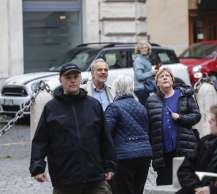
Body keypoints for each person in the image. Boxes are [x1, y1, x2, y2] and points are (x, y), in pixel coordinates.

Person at [29, 63, 116, 194]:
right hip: (65, 178)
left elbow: (105, 138)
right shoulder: (51, 108)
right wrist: (37, 167)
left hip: (95, 177)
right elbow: (41, 140)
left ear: (80, 79)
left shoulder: (93, 105)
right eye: (68, 77)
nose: (73, 80)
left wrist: (110, 164)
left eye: (76, 76)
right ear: (60, 80)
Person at [146, 67, 201, 185]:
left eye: (168, 75)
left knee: (184, 184)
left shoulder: (184, 95)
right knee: (164, 183)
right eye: (161, 76)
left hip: (184, 147)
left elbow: (197, 115)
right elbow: (149, 127)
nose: (165, 77)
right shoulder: (151, 101)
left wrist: (180, 118)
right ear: (157, 83)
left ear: (172, 80)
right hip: (163, 151)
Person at [105, 75, 152, 194]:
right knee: (138, 190)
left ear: (116, 89)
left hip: (124, 156)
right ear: (131, 88)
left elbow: (105, 133)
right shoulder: (141, 106)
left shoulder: (113, 107)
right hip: (144, 154)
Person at [177, 104, 217, 194]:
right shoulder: (206, 141)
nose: (209, 122)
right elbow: (184, 169)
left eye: (213, 120)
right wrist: (197, 188)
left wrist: (211, 190)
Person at [133, 41, 157, 105]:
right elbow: (139, 76)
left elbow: (146, 73)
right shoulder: (138, 60)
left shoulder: (145, 59)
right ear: (139, 50)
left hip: (145, 87)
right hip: (141, 88)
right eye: (142, 48)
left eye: (146, 47)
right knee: (146, 106)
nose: (144, 49)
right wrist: (152, 73)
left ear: (148, 49)